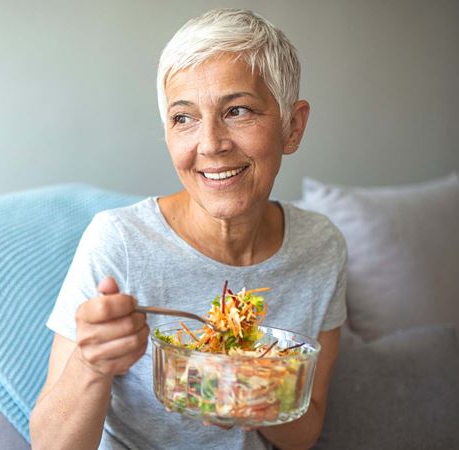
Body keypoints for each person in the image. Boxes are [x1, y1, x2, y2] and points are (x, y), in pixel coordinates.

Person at [29, 8, 345, 450]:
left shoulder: (321, 246)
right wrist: (91, 363)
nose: (211, 143)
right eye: (184, 117)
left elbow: (304, 432)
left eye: (237, 110)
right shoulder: (118, 242)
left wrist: (245, 391)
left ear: (292, 127)